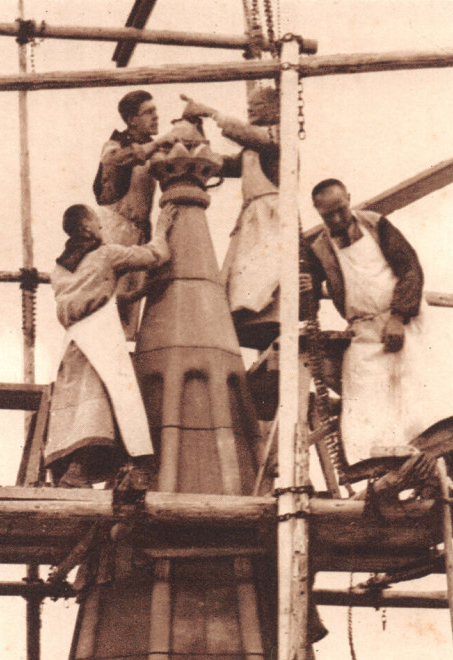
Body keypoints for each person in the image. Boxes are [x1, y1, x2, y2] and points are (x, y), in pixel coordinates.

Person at [306, 178, 453, 490]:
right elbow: (305, 305)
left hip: (407, 318)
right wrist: (304, 290)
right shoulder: (320, 248)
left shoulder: (376, 226)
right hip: (364, 330)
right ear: (319, 213)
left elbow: (410, 269)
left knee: (434, 381)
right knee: (366, 394)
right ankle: (396, 475)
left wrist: (398, 317)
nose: (337, 220)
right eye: (328, 215)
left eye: (341, 210)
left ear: (349, 199)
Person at [44, 202, 176, 489]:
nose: (103, 229)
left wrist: (134, 295)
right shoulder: (105, 255)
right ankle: (89, 470)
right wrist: (163, 228)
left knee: (76, 403)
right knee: (106, 399)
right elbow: (156, 255)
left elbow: (87, 294)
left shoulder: (58, 269)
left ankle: (69, 471)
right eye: (99, 224)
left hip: (74, 340)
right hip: (100, 333)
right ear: (88, 227)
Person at [180, 85, 281, 350]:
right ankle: (248, 323)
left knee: (262, 276)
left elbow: (248, 135)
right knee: (240, 276)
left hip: (270, 216)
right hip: (253, 216)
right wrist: (198, 148)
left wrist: (211, 112)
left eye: (257, 104)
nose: (251, 108)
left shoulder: (278, 135)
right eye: (250, 105)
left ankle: (264, 320)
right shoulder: (253, 145)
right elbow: (227, 164)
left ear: (276, 108)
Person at [93, 90, 162, 338]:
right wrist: (157, 145)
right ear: (132, 120)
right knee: (110, 299)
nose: (156, 117)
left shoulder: (154, 151)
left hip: (138, 233)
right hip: (115, 227)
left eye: (155, 111)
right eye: (149, 112)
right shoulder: (115, 145)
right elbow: (116, 160)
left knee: (130, 309)